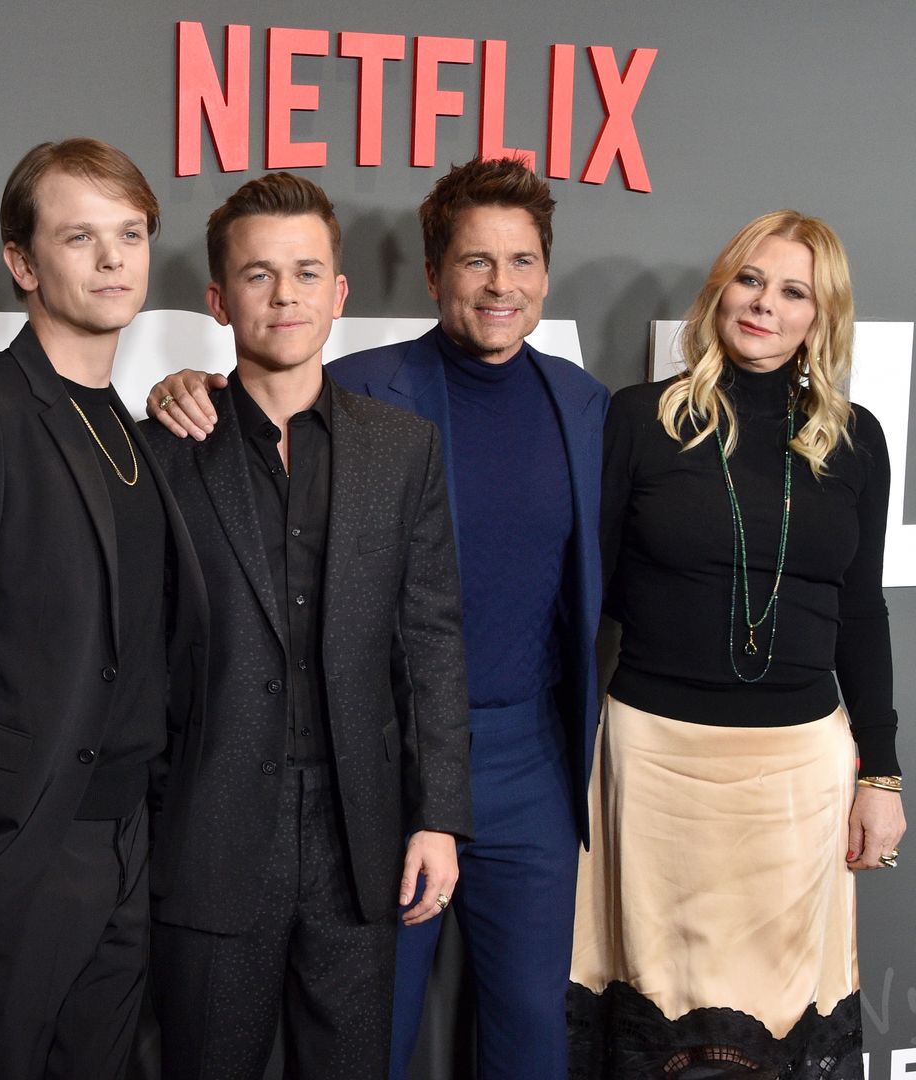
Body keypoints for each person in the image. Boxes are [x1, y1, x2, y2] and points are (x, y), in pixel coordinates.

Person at [148, 156, 608, 1080]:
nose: (501, 283)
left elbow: (464, 619)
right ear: (434, 274)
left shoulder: (583, 406)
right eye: (476, 261)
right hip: (369, 765)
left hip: (527, 758)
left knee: (528, 1029)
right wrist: (177, 392)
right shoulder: (352, 389)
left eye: (521, 261)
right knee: (364, 1035)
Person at [0, 138, 208, 1079]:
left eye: (130, 234)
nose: (112, 259)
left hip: (128, 838)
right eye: (80, 236)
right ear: (24, 263)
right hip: (18, 846)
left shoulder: (137, 431)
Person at [141, 172, 472, 1080]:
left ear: (340, 293)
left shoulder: (402, 449)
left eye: (305, 272)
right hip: (208, 823)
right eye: (257, 275)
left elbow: (432, 637)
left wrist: (437, 814)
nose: (284, 295)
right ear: (218, 299)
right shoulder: (164, 448)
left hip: (358, 830)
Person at [568, 210, 906, 1078]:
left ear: (821, 316)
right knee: (654, 1014)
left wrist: (881, 772)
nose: (765, 304)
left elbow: (861, 614)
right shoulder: (641, 419)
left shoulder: (857, 438)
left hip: (797, 778)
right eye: (751, 279)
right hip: (654, 766)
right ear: (721, 289)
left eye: (794, 290)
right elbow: (589, 600)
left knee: (780, 1023)